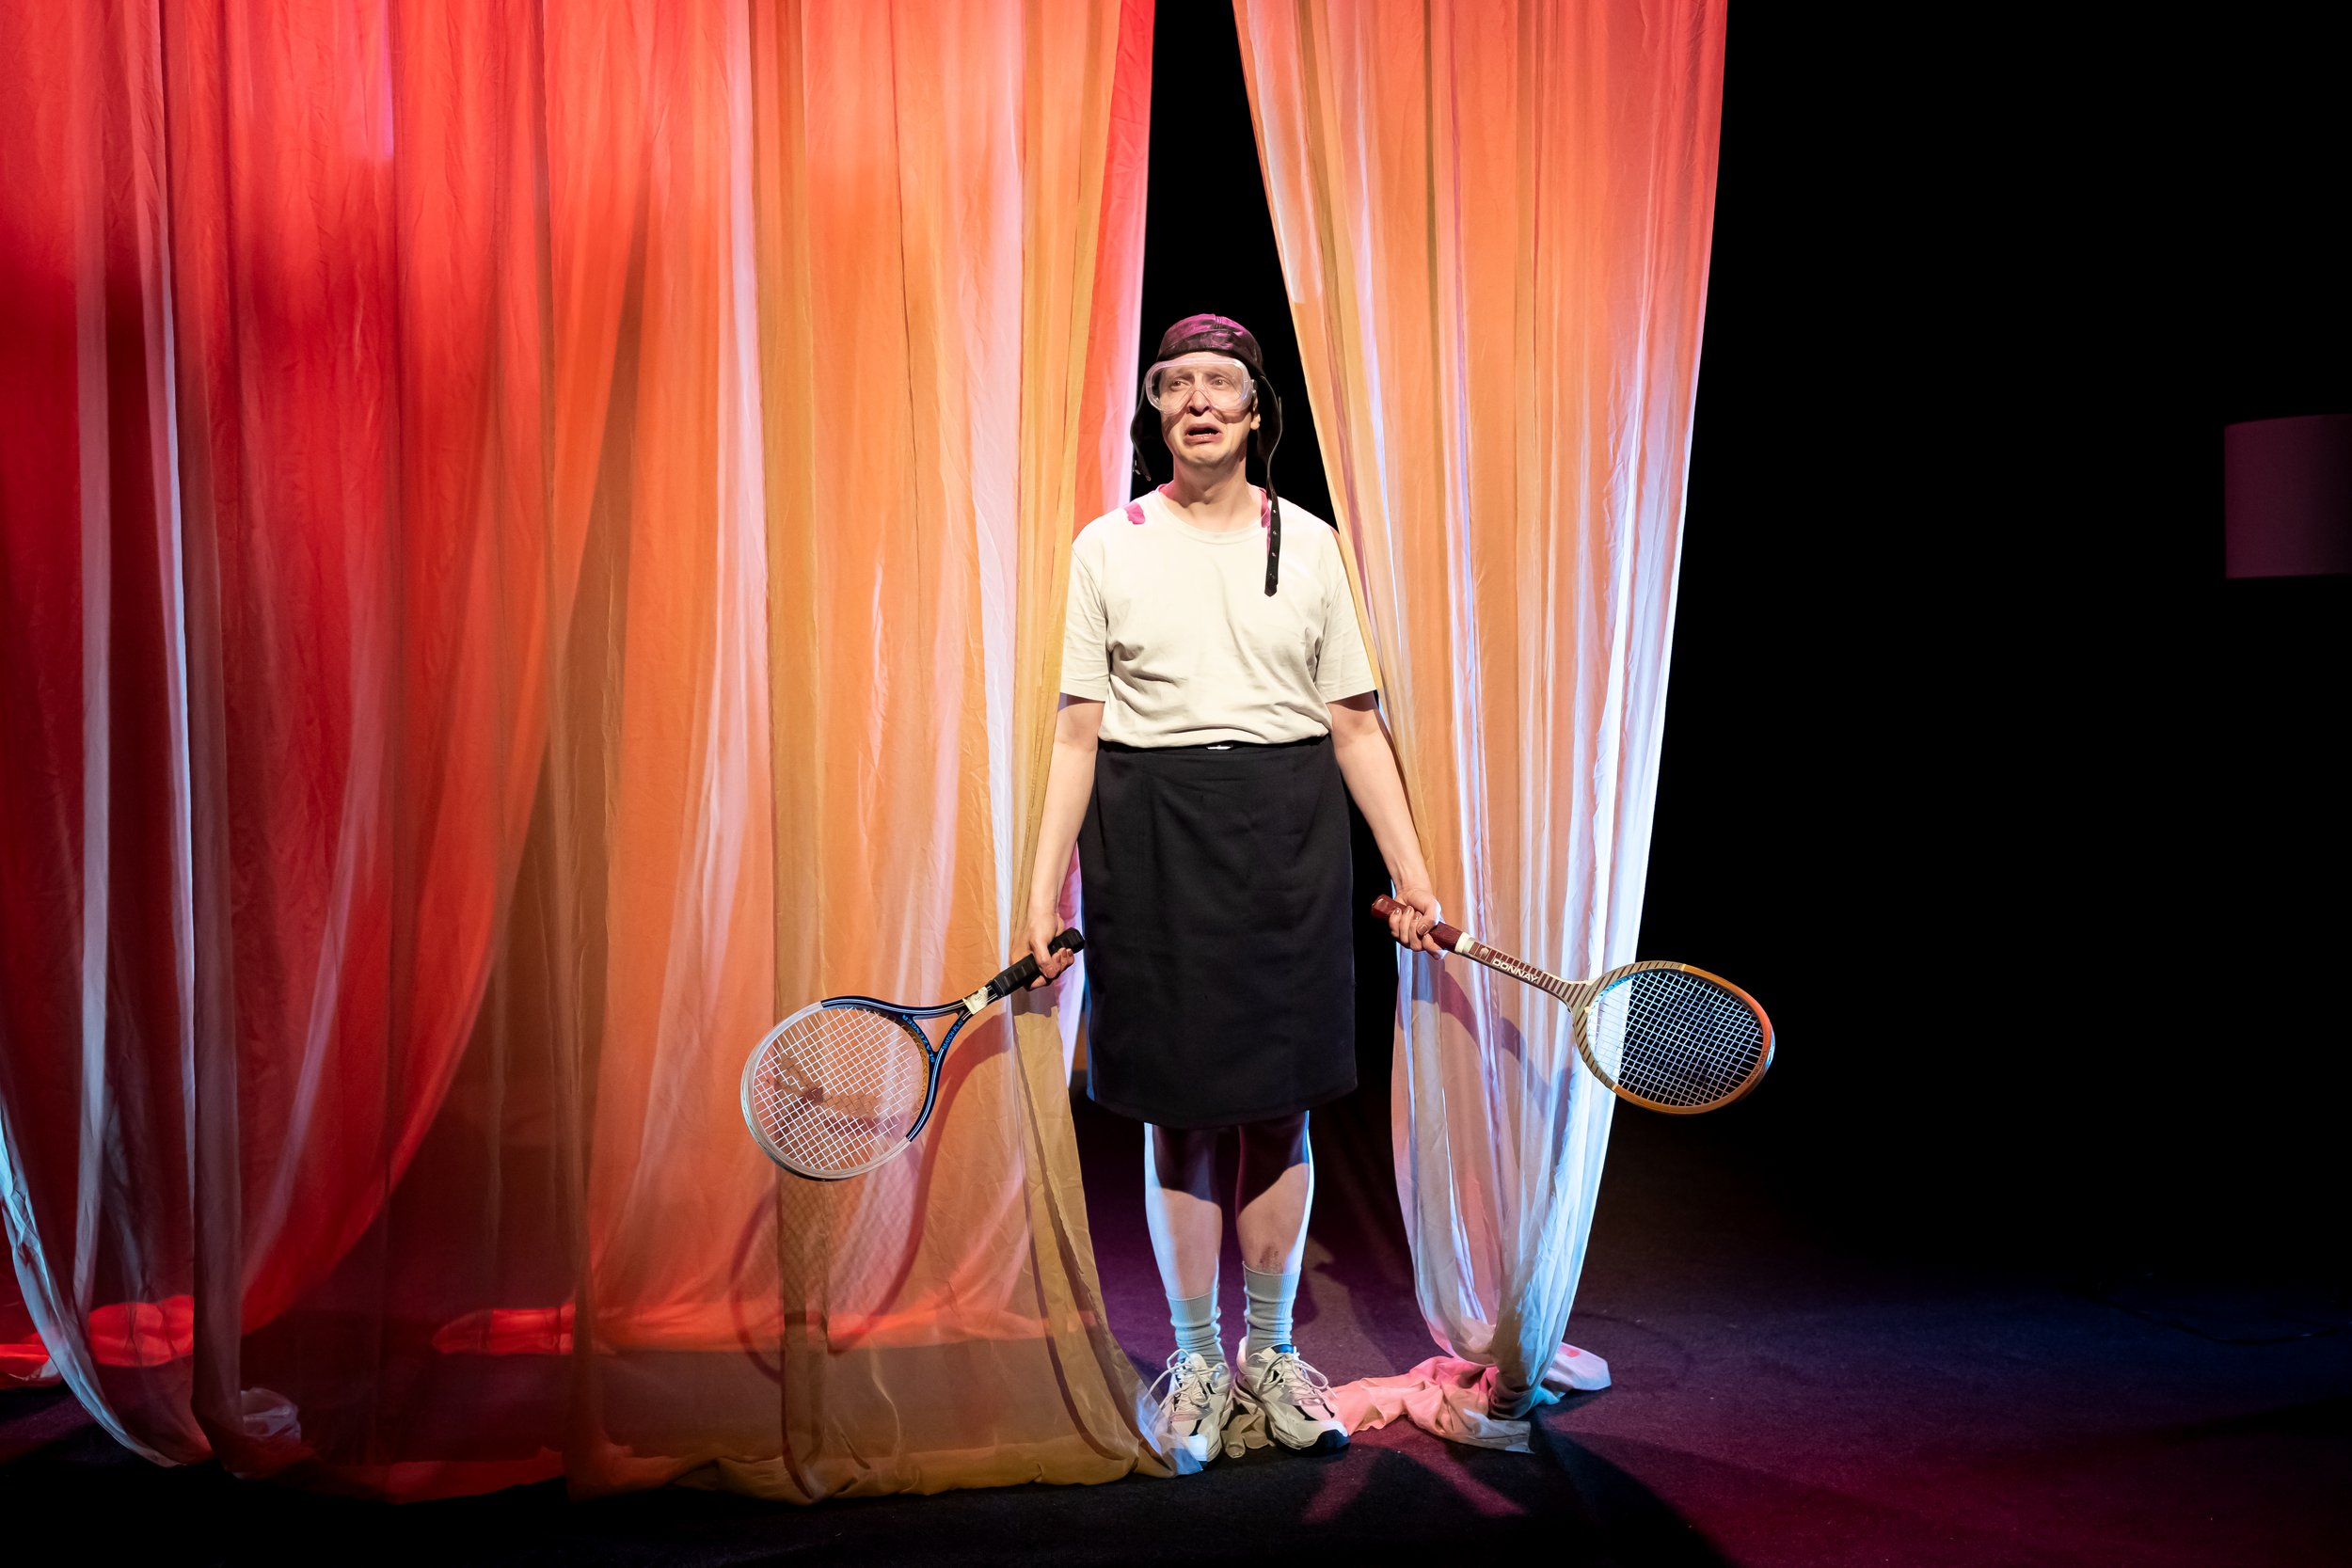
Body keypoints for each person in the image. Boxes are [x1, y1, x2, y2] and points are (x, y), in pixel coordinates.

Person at [1019, 314, 1442, 1465]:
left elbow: (1353, 722)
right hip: (1148, 832)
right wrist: (1039, 888)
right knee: (1180, 1110)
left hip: (1287, 828)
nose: (1199, 401)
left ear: (1257, 414)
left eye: (1222, 385)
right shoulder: (1105, 544)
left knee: (1280, 1101)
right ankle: (1196, 1358)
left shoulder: (1307, 542)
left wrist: (1410, 866)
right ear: (1154, 411)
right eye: (1176, 385)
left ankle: (1267, 1353)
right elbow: (1076, 729)